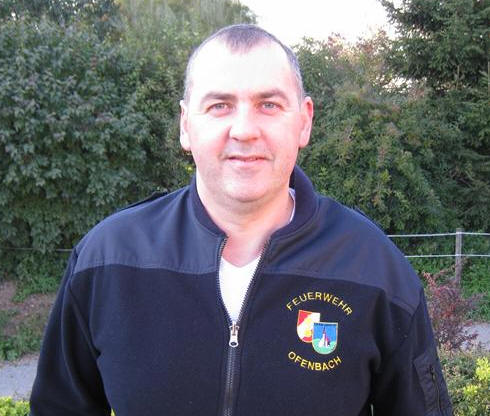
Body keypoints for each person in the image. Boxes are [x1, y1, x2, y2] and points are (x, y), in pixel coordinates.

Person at [30, 24, 453, 416]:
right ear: (185, 125)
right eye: (220, 105)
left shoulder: (374, 268)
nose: (245, 130)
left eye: (269, 104)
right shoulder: (108, 258)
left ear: (303, 121)